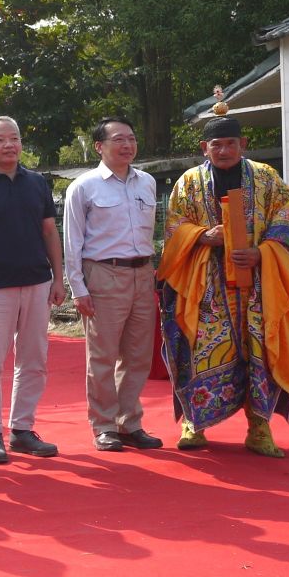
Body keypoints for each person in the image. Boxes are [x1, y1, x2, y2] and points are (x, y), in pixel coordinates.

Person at [157, 115, 289, 455]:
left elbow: (287, 217)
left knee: (258, 350)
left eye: (230, 143)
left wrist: (263, 253)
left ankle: (259, 427)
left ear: (242, 144)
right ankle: (194, 421)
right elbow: (174, 226)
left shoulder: (266, 178)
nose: (223, 150)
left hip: (257, 286)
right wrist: (203, 236)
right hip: (203, 286)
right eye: (215, 145)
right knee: (196, 348)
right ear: (205, 148)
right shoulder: (189, 182)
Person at [0, 117, 65, 464]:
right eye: (0, 140)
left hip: (37, 282)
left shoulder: (36, 183)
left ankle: (22, 429)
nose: (9, 145)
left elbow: (50, 232)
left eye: (14, 139)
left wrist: (58, 276)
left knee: (34, 360)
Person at [63, 116, 162, 452]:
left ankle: (129, 422)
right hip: (104, 274)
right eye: (118, 139)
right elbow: (72, 243)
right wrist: (78, 288)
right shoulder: (84, 186)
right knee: (103, 356)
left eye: (131, 139)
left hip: (143, 273)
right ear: (99, 146)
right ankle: (104, 425)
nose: (127, 145)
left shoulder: (147, 182)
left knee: (138, 356)